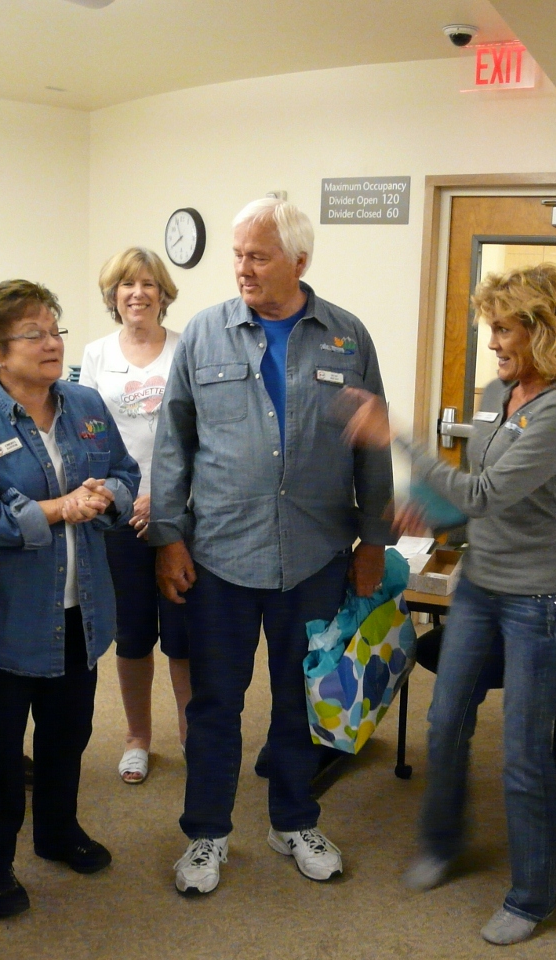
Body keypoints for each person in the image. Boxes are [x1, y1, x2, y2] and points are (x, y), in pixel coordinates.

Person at [344, 263, 556, 945]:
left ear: (543, 330)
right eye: (492, 328)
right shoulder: (497, 392)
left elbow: (485, 492)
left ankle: (532, 895)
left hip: (538, 595)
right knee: (445, 719)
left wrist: (396, 438)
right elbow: (470, 493)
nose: (493, 343)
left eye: (504, 329)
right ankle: (442, 842)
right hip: (480, 582)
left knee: (524, 752)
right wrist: (430, 507)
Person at [150, 197, 394, 896]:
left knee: (302, 699)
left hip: (316, 554)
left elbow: (372, 445)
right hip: (221, 555)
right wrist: (168, 537)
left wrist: (374, 541)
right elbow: (173, 444)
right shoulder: (204, 334)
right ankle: (206, 834)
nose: (243, 268)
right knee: (215, 704)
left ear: (299, 262)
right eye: (237, 255)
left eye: (257, 256)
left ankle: (293, 821)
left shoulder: (347, 337)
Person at [0, 280, 139, 918]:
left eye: (55, 330)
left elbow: (125, 471)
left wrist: (108, 496)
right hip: (3, 618)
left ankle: (57, 831)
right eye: (35, 334)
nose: (52, 344)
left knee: (67, 733)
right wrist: (57, 509)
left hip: (81, 609)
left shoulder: (85, 403)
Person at [80, 247, 190, 785]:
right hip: (120, 517)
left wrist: (164, 498)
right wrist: (125, 496)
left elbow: (200, 434)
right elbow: (88, 436)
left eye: (148, 284)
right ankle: (137, 738)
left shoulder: (187, 348)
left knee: (185, 636)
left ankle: (192, 736)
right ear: (113, 295)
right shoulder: (96, 354)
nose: (137, 294)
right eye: (127, 285)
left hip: (181, 514)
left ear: (163, 293)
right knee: (133, 635)